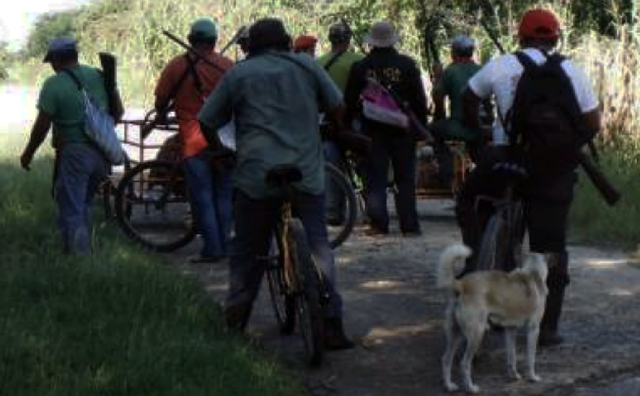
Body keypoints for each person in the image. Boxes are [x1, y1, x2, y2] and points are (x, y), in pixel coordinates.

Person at [197, 18, 355, 349]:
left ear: (250, 46)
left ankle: (235, 321)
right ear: (285, 42)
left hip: (257, 176)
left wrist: (220, 152)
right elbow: (338, 105)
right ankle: (332, 325)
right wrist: (333, 128)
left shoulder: (238, 74)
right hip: (306, 172)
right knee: (318, 245)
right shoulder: (307, 66)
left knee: (247, 253)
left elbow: (207, 120)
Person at [458, 8, 601, 346]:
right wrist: (565, 149)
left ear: (520, 37)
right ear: (555, 38)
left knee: (469, 200)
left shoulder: (500, 64)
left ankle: (477, 258)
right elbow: (593, 123)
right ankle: (548, 327)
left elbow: (468, 97)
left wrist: (479, 142)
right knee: (550, 247)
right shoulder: (572, 71)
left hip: (504, 161)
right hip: (552, 170)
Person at [20, 37, 124, 254]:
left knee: (72, 209)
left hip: (75, 154)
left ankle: (79, 260)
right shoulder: (98, 75)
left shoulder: (54, 84)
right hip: (102, 155)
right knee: (82, 204)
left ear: (57, 59)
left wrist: (28, 153)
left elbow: (42, 126)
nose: (52, 66)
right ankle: (82, 249)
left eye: (51, 61)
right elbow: (118, 112)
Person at [150, 18, 234, 264]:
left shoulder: (176, 67)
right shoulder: (227, 66)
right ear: (214, 41)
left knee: (202, 197)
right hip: (225, 142)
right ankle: (225, 245)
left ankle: (212, 249)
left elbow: (160, 103)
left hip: (194, 142)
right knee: (223, 194)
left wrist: (165, 112)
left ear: (190, 40)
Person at [344, 20, 427, 236]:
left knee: (375, 179)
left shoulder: (361, 67)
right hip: (403, 130)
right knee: (405, 179)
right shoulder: (408, 65)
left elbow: (350, 101)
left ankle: (379, 225)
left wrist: (348, 129)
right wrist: (421, 127)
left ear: (372, 42)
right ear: (392, 40)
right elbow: (419, 99)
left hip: (373, 131)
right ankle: (410, 226)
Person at [317, 22, 365, 225]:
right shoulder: (359, 60)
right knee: (365, 161)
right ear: (348, 39)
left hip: (327, 125)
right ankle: (372, 209)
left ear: (330, 39)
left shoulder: (318, 63)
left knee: (331, 165)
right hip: (354, 122)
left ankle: (333, 212)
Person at [431, 35, 483, 185]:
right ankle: (479, 170)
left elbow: (438, 97)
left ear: (454, 52)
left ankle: (446, 171)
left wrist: (438, 77)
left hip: (458, 126)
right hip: (479, 126)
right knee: (476, 142)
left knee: (433, 131)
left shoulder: (451, 71)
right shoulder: (481, 69)